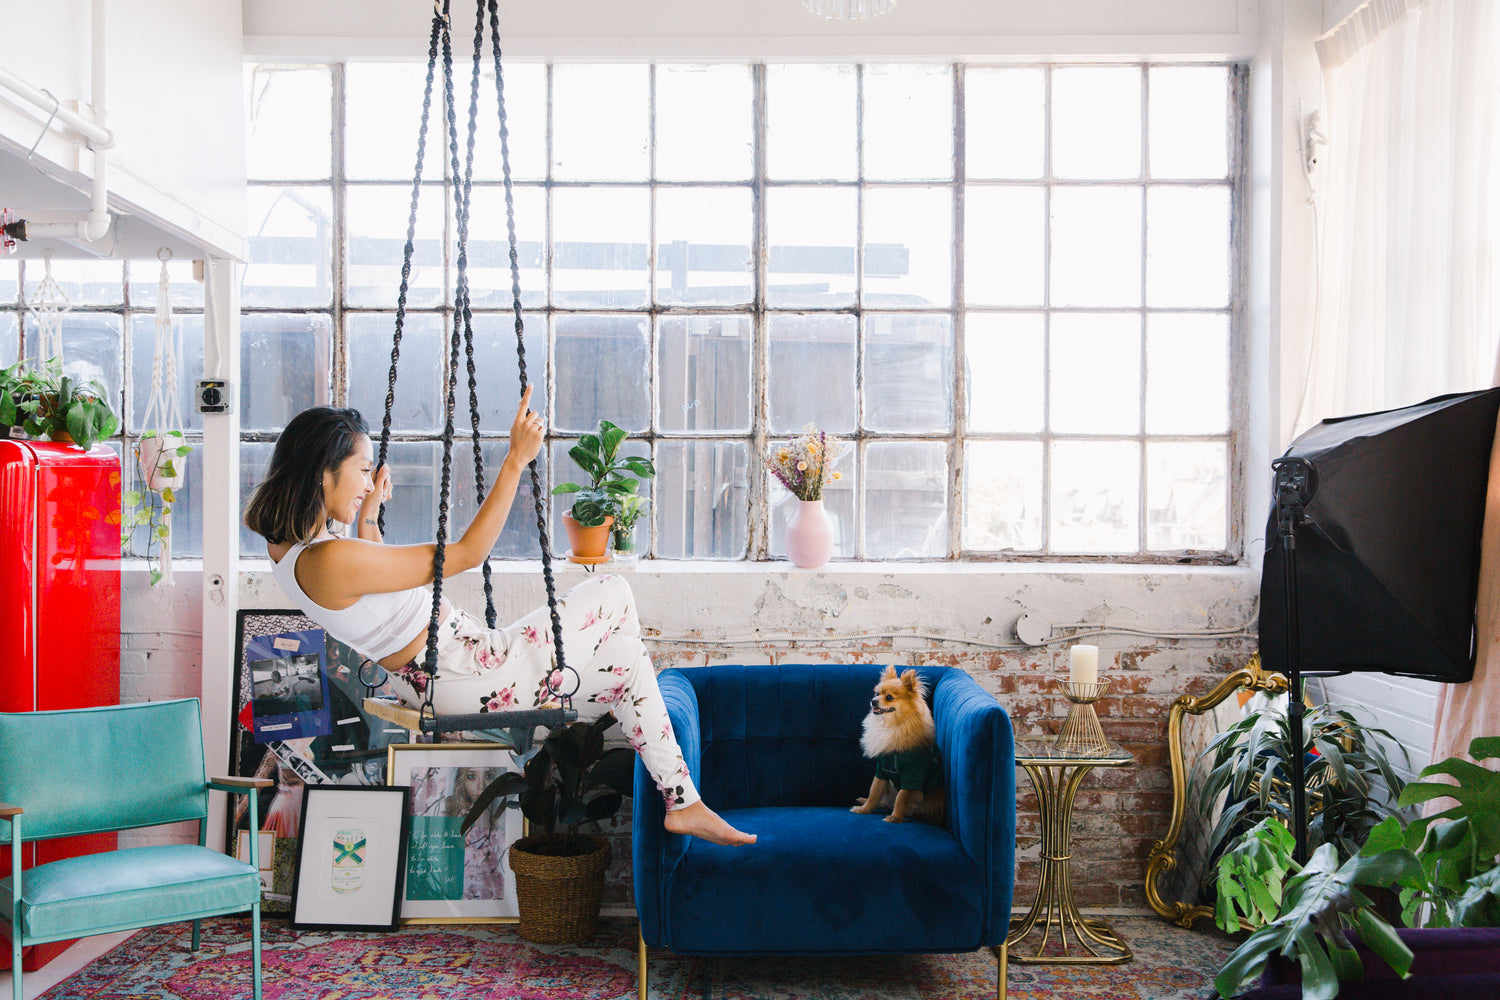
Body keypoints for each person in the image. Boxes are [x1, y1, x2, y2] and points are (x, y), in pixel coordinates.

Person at [243, 390, 755, 847]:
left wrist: (370, 516)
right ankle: (584, 703)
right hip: (470, 672)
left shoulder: (294, 550)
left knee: (624, 663)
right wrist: (515, 459)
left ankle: (683, 803)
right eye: (361, 467)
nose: (366, 480)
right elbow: (465, 553)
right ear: (321, 471)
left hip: (457, 667)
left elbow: (371, 600)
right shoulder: (329, 560)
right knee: (612, 590)